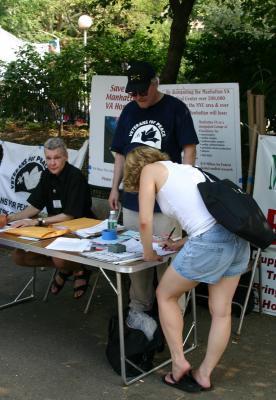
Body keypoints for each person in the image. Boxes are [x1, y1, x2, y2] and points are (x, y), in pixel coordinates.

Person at [124, 146, 250, 392]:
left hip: (210, 242)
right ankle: (204, 374)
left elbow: (144, 219)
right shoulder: (186, 170)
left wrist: (148, 251)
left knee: (165, 295)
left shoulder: (149, 170)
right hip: (237, 238)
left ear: (135, 169)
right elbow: (206, 217)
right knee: (221, 311)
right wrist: (177, 243)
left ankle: (179, 364)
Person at [108, 60, 199, 324]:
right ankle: (139, 315)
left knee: (169, 262)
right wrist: (115, 187)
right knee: (137, 259)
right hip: (133, 201)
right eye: (132, 92)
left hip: (167, 203)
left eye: (141, 91)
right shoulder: (128, 111)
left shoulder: (176, 109)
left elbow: (189, 151)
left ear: (155, 83)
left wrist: (183, 190)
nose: (137, 97)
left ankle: (174, 317)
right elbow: (120, 155)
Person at [3, 138, 93, 299]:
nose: (52, 163)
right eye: (48, 158)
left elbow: (69, 215)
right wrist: (8, 218)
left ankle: (76, 268)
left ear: (65, 156)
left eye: (57, 158)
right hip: (53, 228)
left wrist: (38, 221)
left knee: (59, 258)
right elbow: (34, 207)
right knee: (19, 257)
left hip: (79, 228)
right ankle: (74, 268)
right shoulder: (46, 174)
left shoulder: (75, 176)